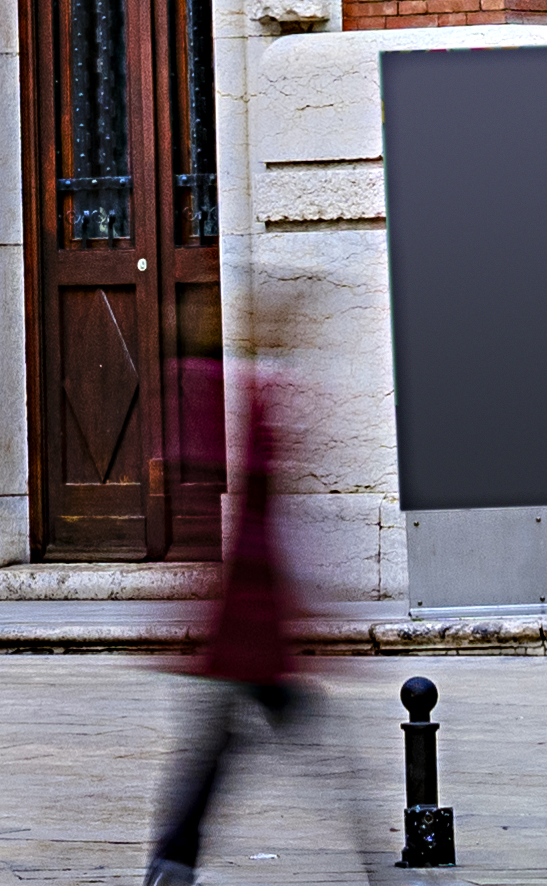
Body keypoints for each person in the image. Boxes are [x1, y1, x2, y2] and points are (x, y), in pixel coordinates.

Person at [140, 344, 313, 883]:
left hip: (248, 620)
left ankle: (173, 858)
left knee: (217, 743)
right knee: (228, 742)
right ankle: (172, 858)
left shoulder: (233, 391)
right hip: (248, 623)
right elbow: (254, 515)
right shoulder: (229, 392)